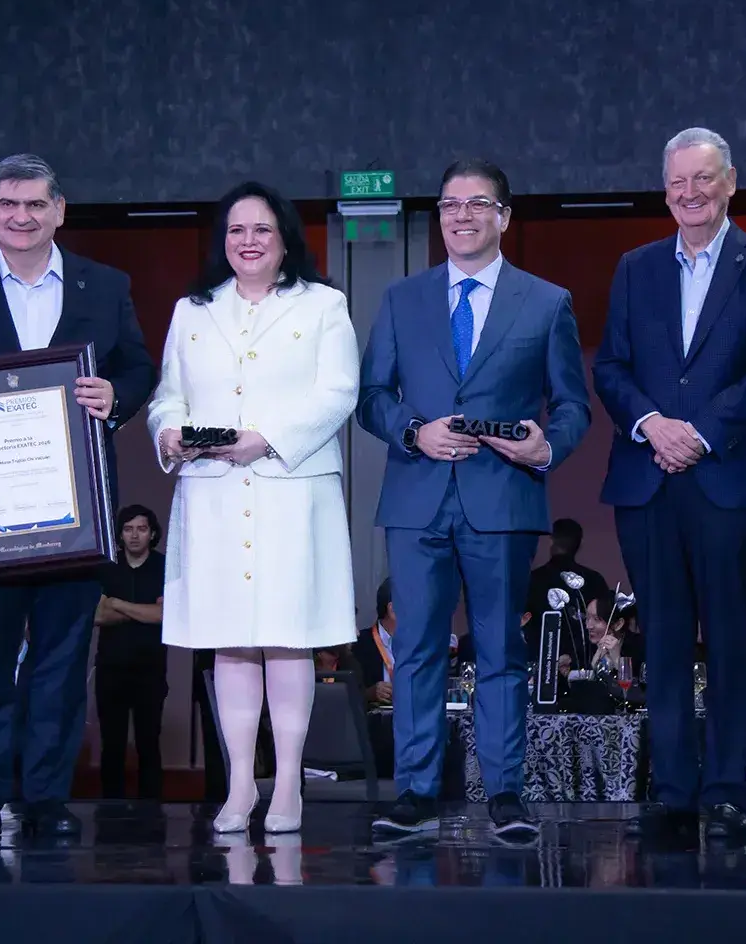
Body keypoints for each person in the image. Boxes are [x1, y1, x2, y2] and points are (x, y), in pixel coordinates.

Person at [0, 154, 155, 840]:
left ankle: (46, 798)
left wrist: (118, 395)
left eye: (35, 205)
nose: (21, 217)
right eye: (9, 205)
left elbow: (137, 364)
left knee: (61, 663)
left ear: (59, 210)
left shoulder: (104, 286)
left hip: (76, 515)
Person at [358, 158, 590, 840]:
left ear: (504, 217)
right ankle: (417, 793)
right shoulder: (403, 299)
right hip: (417, 498)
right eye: (450, 204)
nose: (462, 216)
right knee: (419, 650)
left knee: (501, 653)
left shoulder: (546, 302)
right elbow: (372, 397)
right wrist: (412, 430)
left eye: (478, 204)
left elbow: (573, 402)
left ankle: (506, 795)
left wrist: (544, 447)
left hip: (503, 497)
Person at [593, 128, 746, 840]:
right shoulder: (635, 267)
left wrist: (699, 433)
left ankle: (725, 788)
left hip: (727, 477)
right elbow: (611, 368)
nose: (690, 193)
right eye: (678, 182)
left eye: (703, 179)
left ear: (731, 182)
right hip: (647, 477)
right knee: (666, 639)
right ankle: (675, 787)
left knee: (731, 640)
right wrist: (655, 424)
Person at [152, 181, 358, 836]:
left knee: (286, 638)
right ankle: (240, 786)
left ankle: (288, 784)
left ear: (285, 238)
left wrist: (265, 437)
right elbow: (168, 394)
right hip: (212, 491)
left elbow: (338, 392)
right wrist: (167, 431)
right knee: (231, 642)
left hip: (290, 491)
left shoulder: (324, 305)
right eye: (236, 230)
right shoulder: (192, 311)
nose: (247, 241)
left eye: (261, 230)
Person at [94, 504, 169, 799]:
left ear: (152, 534)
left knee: (148, 742)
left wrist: (118, 604)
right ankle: (110, 810)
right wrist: (145, 610)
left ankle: (152, 811)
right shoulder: (106, 567)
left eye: (141, 529)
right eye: (128, 529)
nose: (134, 535)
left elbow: (166, 615)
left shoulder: (165, 567)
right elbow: (97, 616)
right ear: (120, 534)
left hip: (151, 669)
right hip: (110, 668)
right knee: (111, 744)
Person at [523, 519, 608, 657]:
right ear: (580, 544)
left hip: (541, 663)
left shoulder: (533, 579)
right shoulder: (594, 580)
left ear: (551, 540)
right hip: (585, 664)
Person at [353, 578, 397, 708]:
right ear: (392, 610)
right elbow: (347, 695)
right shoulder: (359, 645)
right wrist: (370, 694)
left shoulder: (419, 645)